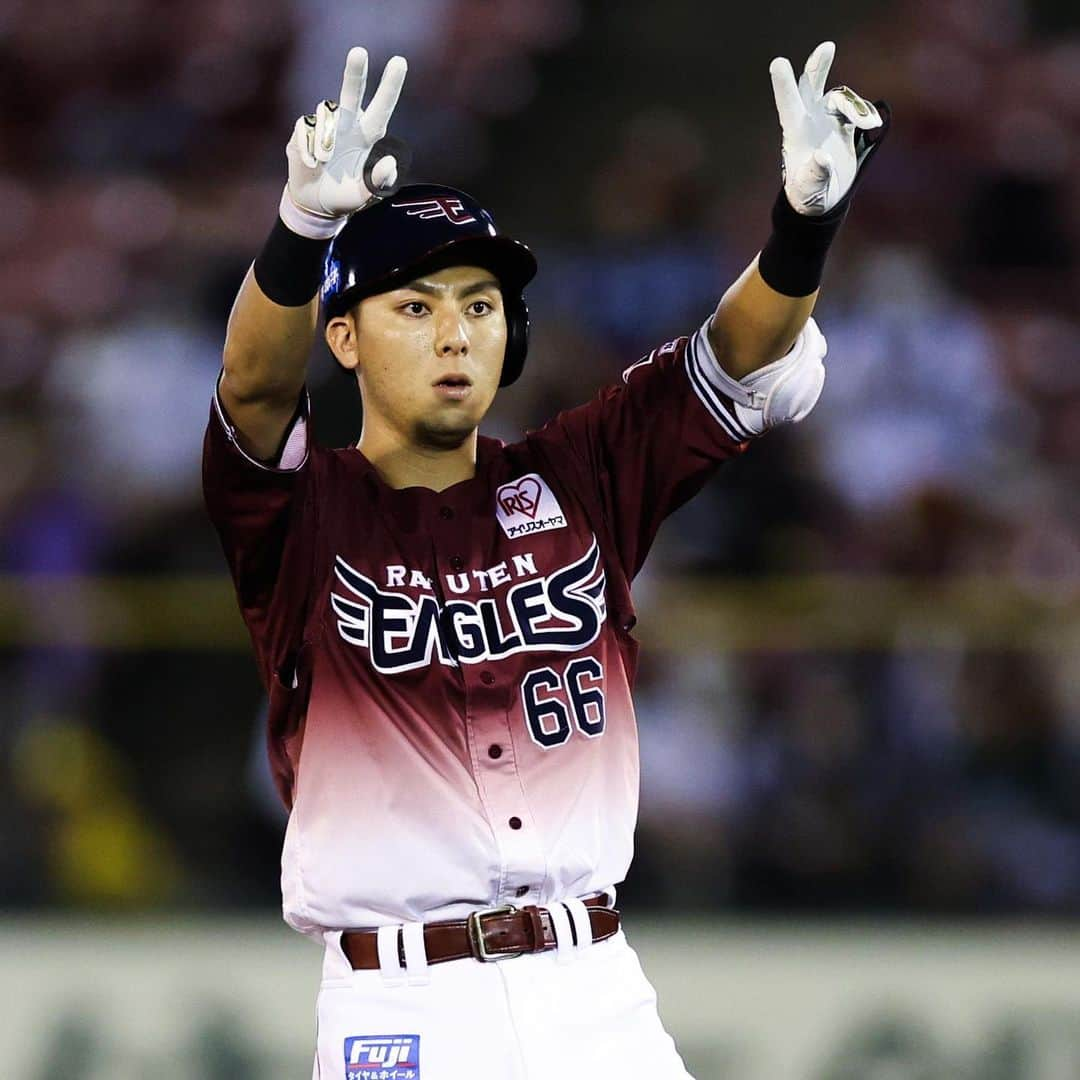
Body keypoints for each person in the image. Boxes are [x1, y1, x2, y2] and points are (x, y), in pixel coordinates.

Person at [202, 41, 889, 1080]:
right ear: (340, 338)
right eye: (415, 306)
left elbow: (738, 356)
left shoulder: (582, 477)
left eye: (479, 306)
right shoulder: (302, 512)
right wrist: (300, 231)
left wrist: (803, 229)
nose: (455, 335)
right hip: (404, 997)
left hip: (597, 988)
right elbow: (251, 393)